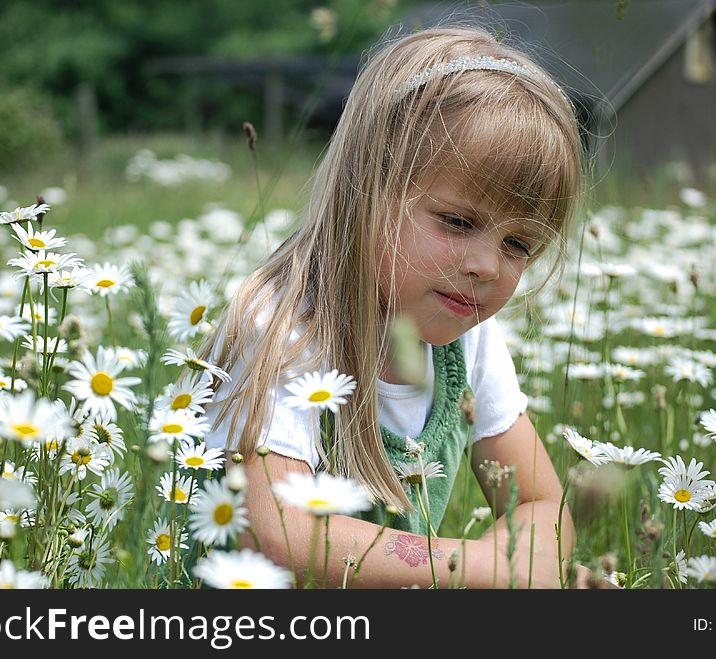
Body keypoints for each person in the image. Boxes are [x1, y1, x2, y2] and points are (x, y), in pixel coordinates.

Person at [201, 25, 593, 588]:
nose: (487, 266)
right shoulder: (288, 328)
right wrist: (479, 571)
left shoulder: (469, 342)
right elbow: (274, 535)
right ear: (367, 189)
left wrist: (526, 573)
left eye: (517, 246)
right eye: (459, 222)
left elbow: (541, 504)